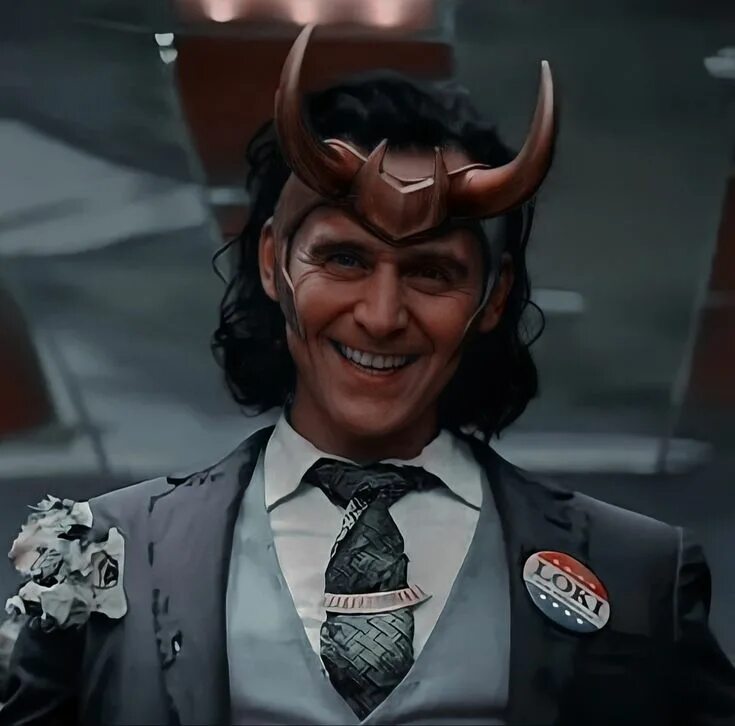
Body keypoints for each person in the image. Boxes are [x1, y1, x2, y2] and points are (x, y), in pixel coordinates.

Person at [2, 24, 734, 726]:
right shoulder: (105, 550)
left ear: (493, 297)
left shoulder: (635, 573)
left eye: (431, 272)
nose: (382, 316)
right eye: (345, 259)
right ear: (273, 263)